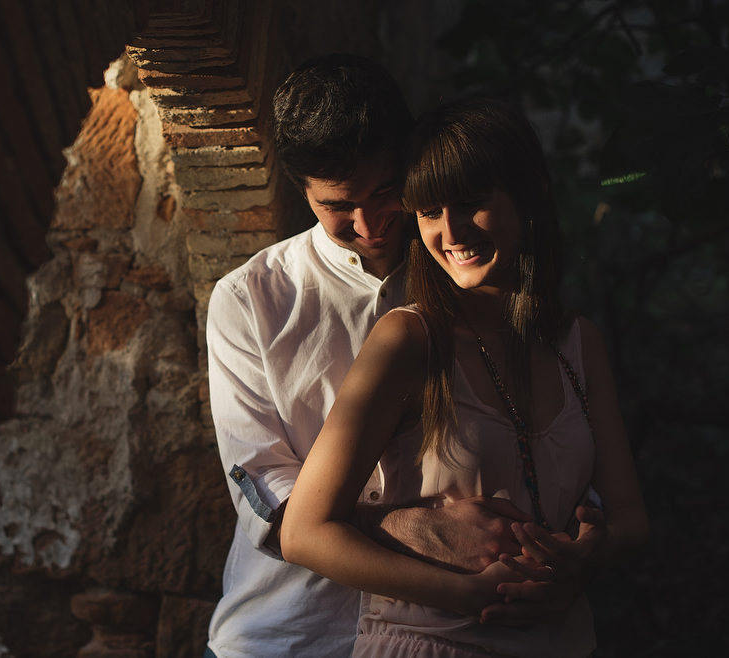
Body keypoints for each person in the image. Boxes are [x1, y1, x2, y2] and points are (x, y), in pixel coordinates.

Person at [279, 97, 650, 657]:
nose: (449, 232)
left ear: (530, 197)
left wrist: (584, 558)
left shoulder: (578, 342)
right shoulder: (409, 340)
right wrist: (465, 593)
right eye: (428, 212)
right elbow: (304, 533)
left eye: (471, 204)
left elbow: (630, 518)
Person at [205, 57, 536, 658]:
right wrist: (414, 529)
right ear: (301, 191)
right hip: (290, 634)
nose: (369, 224)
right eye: (338, 207)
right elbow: (262, 490)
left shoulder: (471, 275)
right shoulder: (250, 299)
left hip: (444, 637)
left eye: (386, 193)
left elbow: (548, 434)